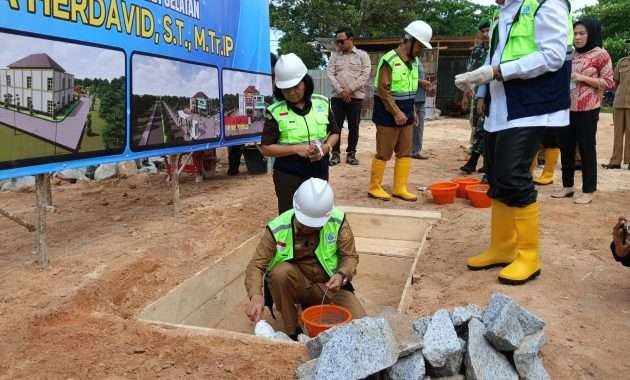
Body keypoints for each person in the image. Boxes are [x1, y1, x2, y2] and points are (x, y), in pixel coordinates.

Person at [455, 0, 573, 285]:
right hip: (501, 107)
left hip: (530, 107)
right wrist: (481, 87)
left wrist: (499, 72)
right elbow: (496, 56)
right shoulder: (503, 13)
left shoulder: (547, 4)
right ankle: (503, 247)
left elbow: (553, 56)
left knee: (513, 176)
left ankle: (529, 256)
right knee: (495, 177)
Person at [244, 178, 366, 339]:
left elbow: (350, 257)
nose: (310, 228)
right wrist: (256, 295)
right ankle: (293, 331)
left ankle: (313, 306)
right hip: (297, 285)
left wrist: (342, 274)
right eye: (305, 224)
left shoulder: (337, 220)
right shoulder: (278, 227)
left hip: (329, 286)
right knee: (280, 274)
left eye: (315, 225)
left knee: (362, 326)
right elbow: (256, 266)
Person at [260, 54, 340, 214]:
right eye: (286, 89)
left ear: (306, 82)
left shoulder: (322, 103)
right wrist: (296, 149)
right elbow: (265, 148)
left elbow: (335, 133)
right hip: (289, 174)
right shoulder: (275, 112)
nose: (292, 92)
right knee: (290, 214)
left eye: (296, 86)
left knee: (318, 212)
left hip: (319, 170)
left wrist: (326, 147)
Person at [368, 20, 433, 202]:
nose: (421, 50)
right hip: (387, 113)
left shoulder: (414, 61)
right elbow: (383, 91)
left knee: (405, 151)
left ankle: (399, 188)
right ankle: (374, 187)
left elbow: (409, 90)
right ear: (409, 41)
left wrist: (411, 112)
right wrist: (396, 112)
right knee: (384, 152)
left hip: (406, 113)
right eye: (420, 45)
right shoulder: (389, 60)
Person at [551, 19, 614, 204]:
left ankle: (588, 190)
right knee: (566, 146)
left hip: (588, 108)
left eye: (582, 33)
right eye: (575, 33)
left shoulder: (600, 54)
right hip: (566, 107)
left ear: (591, 34)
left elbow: (609, 82)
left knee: (587, 148)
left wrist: (582, 78)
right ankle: (568, 186)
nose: (577, 37)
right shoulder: (569, 53)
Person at [327, 27, 371, 166]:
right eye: (337, 42)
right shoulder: (334, 56)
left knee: (354, 126)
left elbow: (365, 74)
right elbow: (330, 74)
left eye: (341, 41)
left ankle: (351, 153)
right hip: (337, 98)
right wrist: (341, 91)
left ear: (351, 39)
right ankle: (335, 154)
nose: (339, 44)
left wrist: (350, 90)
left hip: (355, 97)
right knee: (335, 126)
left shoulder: (362, 55)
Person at [228, 54, 278, 176]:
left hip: (268, 113)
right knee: (237, 136)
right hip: (250, 115)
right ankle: (233, 168)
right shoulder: (250, 78)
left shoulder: (276, 80)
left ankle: (271, 165)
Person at [461, 20, 491, 174]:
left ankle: (475, 162)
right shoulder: (476, 51)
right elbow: (469, 75)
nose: (486, 34)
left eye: (488, 30)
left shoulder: (496, 51)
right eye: (483, 31)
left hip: (491, 96)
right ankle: (482, 163)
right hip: (476, 94)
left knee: (484, 128)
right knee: (476, 127)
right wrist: (465, 96)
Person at [603, 40, 630, 170]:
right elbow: (615, 82)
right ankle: (615, 161)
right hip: (619, 102)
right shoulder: (622, 62)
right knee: (617, 132)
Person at [411, 57, 431, 160]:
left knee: (419, 128)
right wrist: (421, 82)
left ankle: (416, 151)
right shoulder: (408, 60)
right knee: (410, 126)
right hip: (411, 98)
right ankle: (407, 150)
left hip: (421, 98)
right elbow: (407, 77)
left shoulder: (418, 60)